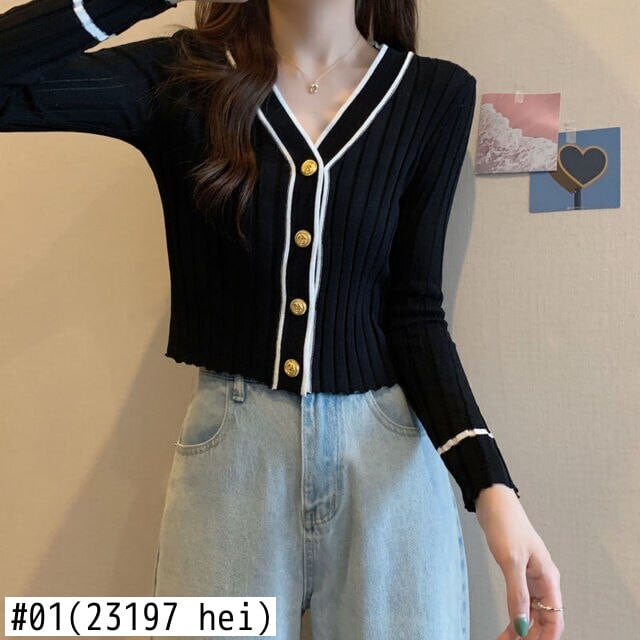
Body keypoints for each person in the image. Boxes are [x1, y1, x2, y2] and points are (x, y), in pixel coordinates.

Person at [1, 1, 564, 639]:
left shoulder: (433, 93)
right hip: (234, 458)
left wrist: (492, 490)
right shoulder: (182, 75)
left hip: (389, 463)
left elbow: (415, 314)